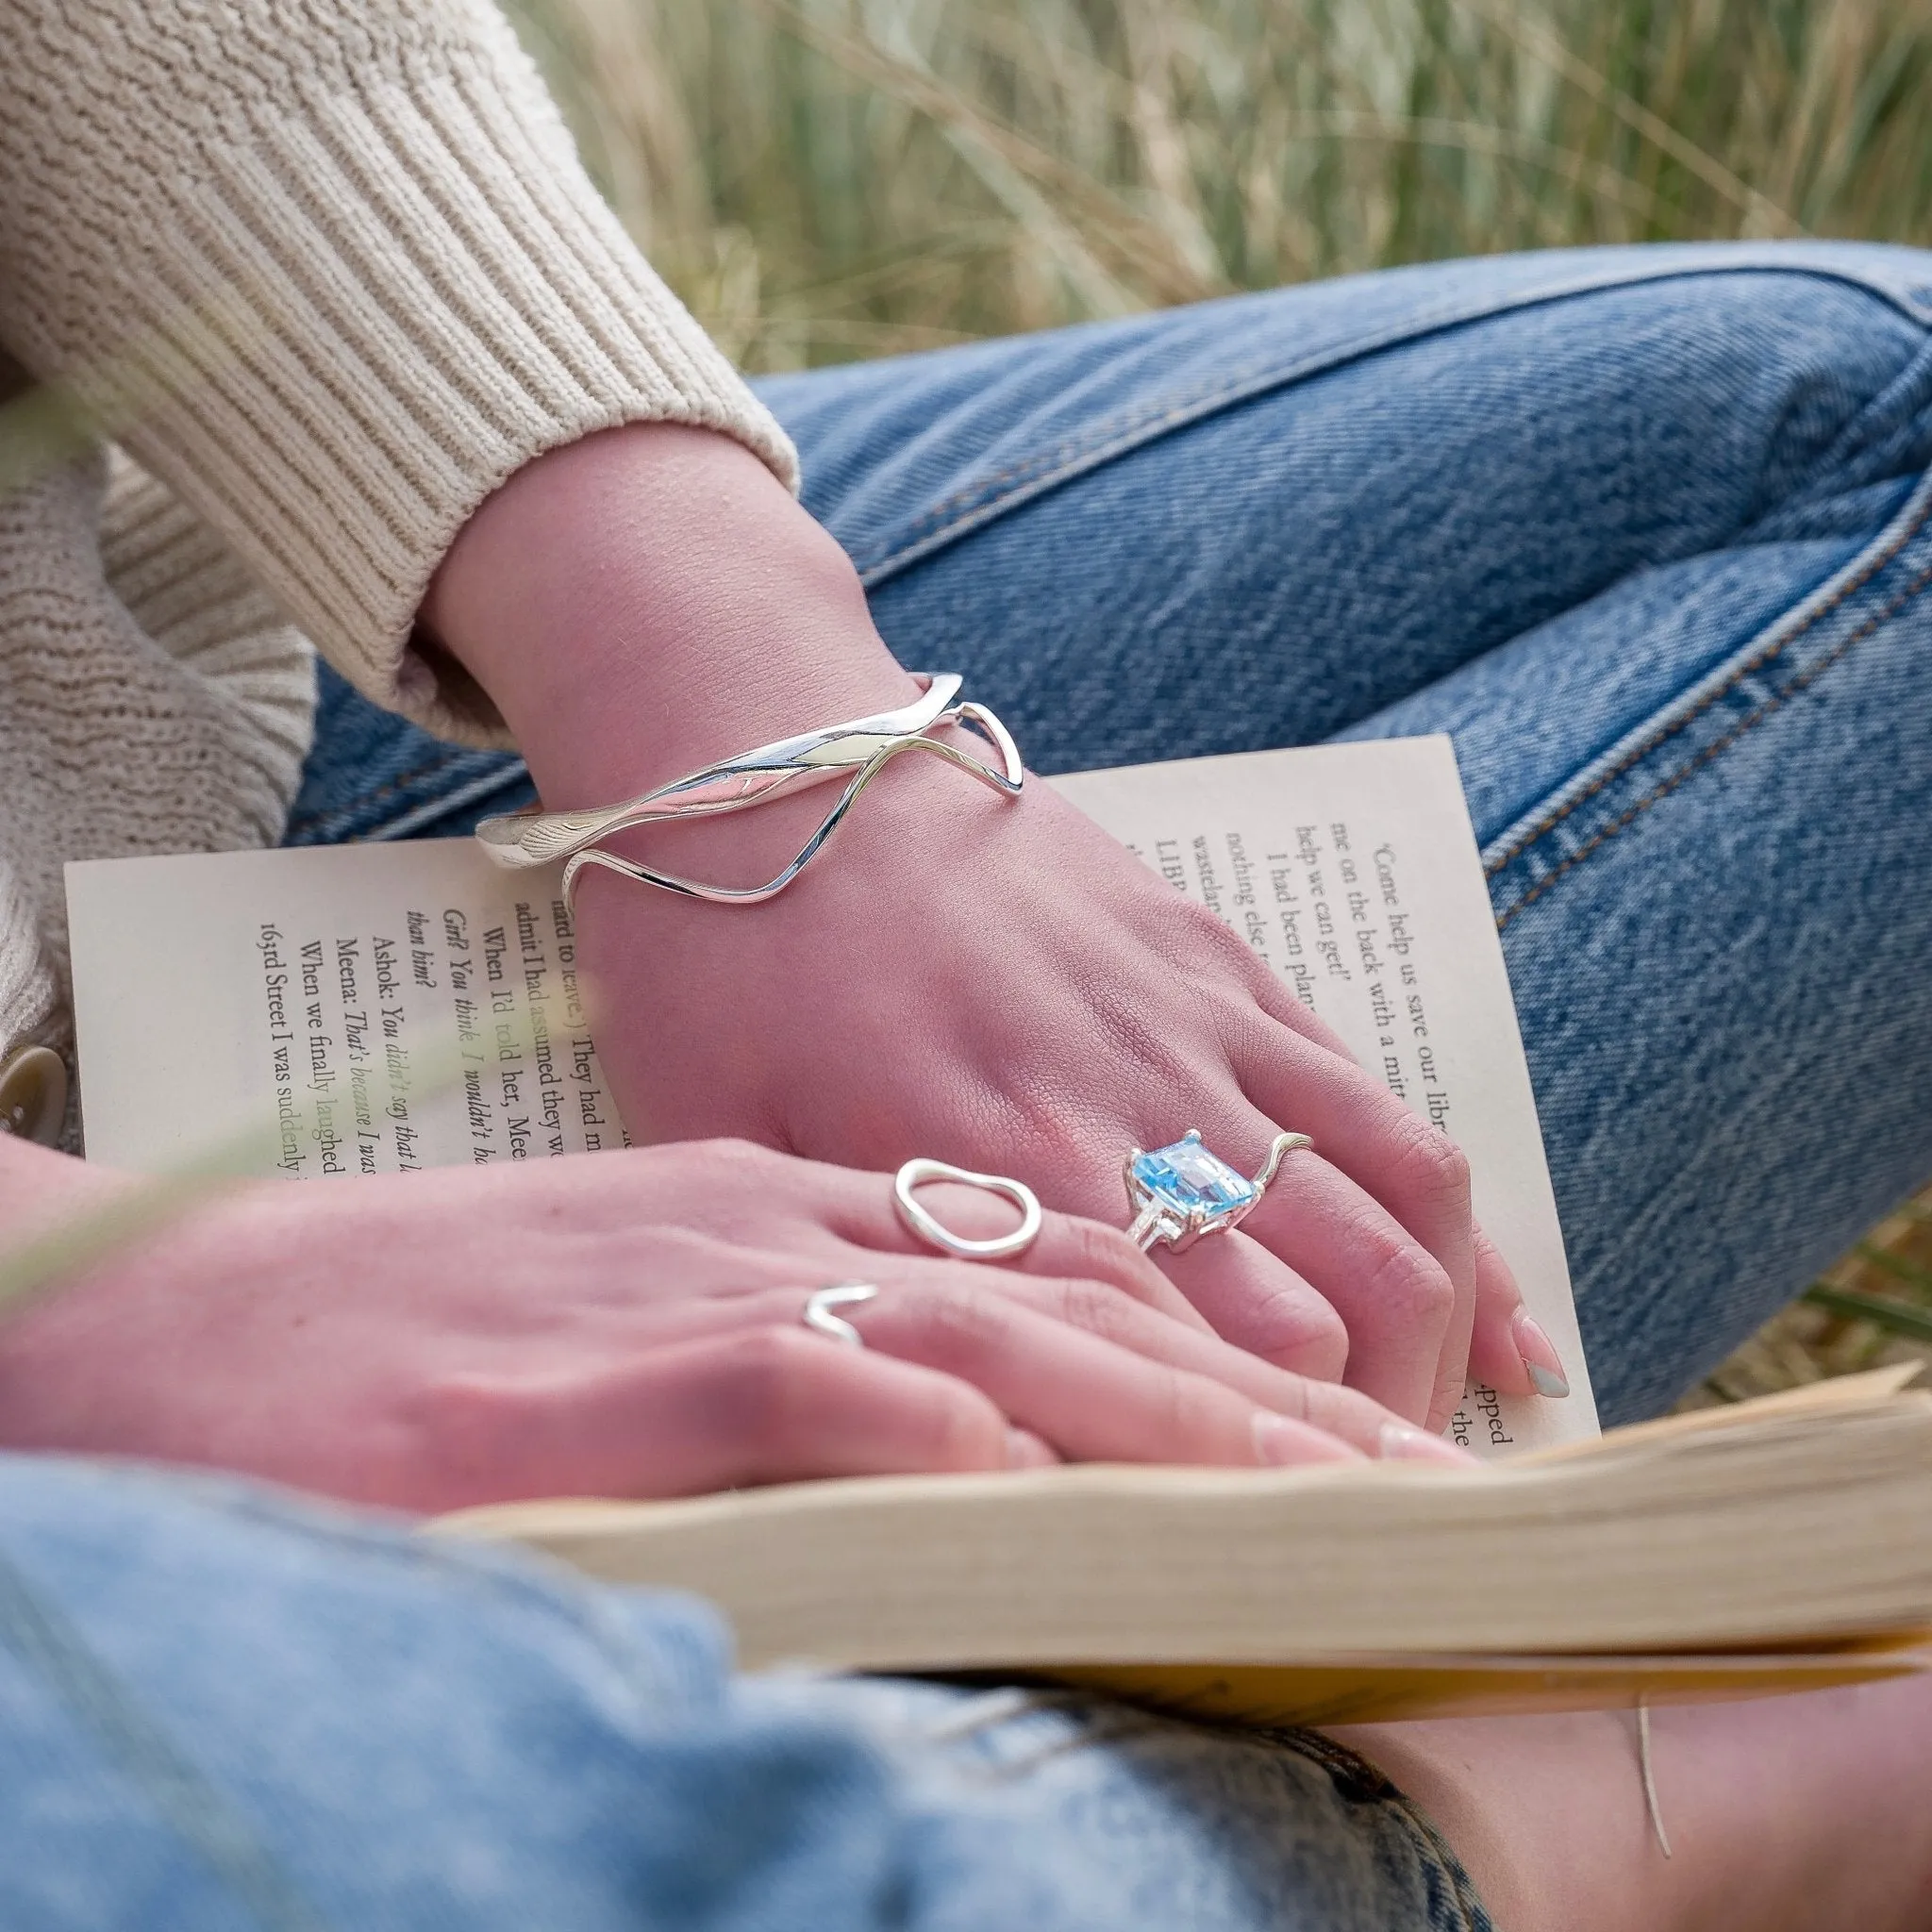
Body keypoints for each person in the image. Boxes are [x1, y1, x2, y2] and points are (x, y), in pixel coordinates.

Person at [0, 1, 1927, 1927]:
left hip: (177, 692)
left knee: (1876, 454)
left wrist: (724, 685)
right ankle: (1517, 1833)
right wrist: (73, 1304)